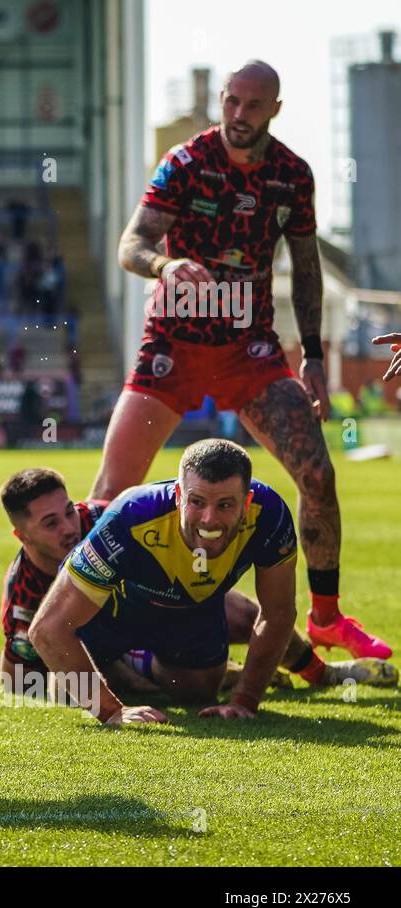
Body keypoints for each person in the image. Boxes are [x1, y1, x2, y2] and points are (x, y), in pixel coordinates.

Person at [93, 60, 390, 660]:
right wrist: (165, 265)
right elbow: (133, 243)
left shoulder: (290, 176)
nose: (238, 115)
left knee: (318, 475)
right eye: (232, 101)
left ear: (275, 109)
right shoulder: (185, 162)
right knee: (111, 492)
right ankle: (88, 623)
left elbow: (306, 269)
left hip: (249, 350)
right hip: (172, 343)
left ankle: (327, 618)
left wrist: (311, 357)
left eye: (253, 106)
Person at [0, 466, 394, 698]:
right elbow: (17, 682)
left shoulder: (104, 519)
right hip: (111, 644)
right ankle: (225, 673)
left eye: (68, 511)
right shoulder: (25, 591)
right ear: (23, 536)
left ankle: (324, 674)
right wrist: (72, 686)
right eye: (51, 523)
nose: (69, 528)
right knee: (183, 687)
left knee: (241, 612)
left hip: (166, 602)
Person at [31, 440, 326, 726]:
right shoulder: (130, 516)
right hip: (112, 610)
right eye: (196, 502)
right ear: (177, 495)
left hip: (185, 604)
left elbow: (278, 613)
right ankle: (125, 662)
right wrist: (111, 711)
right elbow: (47, 629)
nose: (209, 519)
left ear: (247, 502)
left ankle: (139, 664)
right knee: (64, 690)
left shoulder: (270, 515)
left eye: (225, 505)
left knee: (198, 692)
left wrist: (244, 700)